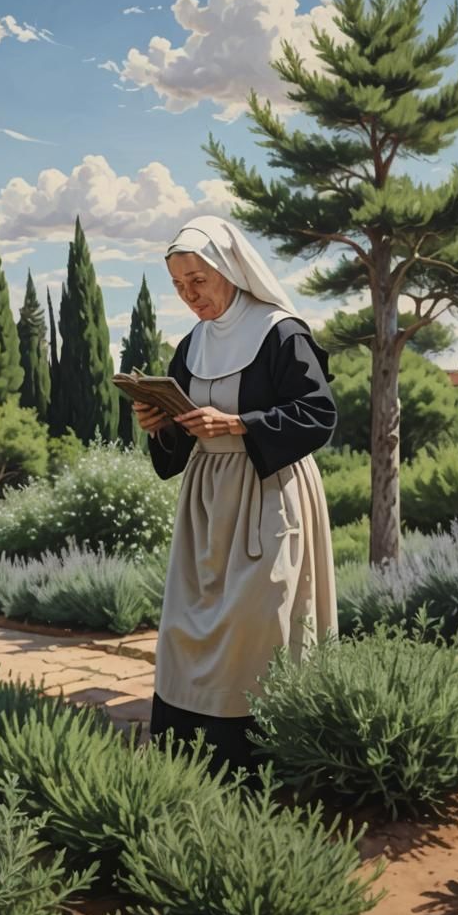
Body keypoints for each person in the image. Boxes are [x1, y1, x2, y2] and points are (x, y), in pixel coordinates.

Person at [133, 214, 339, 778]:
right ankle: (187, 762)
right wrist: (161, 425)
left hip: (268, 497)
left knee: (259, 626)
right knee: (185, 629)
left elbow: (319, 416)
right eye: (178, 285)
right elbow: (178, 444)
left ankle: (261, 764)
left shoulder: (280, 332)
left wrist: (241, 423)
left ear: (227, 268)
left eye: (197, 279)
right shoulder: (192, 345)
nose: (189, 294)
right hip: (206, 507)